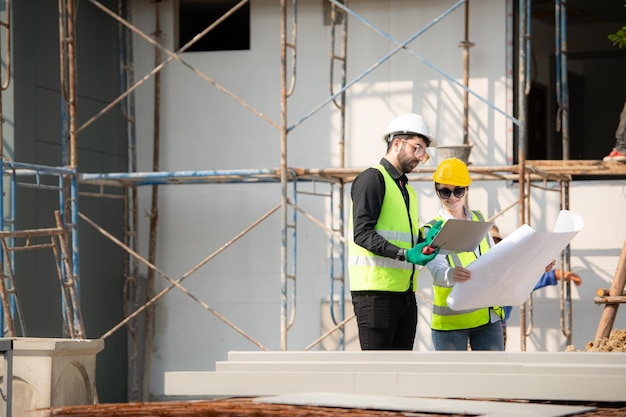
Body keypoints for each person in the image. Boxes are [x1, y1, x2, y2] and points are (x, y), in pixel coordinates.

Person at [349, 113, 443, 350]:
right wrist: (405, 254)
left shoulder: (406, 189)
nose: (421, 158)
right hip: (375, 295)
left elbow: (403, 234)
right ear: (397, 143)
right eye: (417, 148)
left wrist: (427, 235)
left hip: (404, 295)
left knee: (401, 373)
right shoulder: (373, 179)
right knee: (377, 376)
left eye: (424, 152)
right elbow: (362, 233)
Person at [490, 225, 583, 347]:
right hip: (474, 322)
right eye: (491, 240)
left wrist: (557, 274)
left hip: (497, 325)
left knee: (495, 364)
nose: (494, 244)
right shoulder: (476, 265)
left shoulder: (508, 268)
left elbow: (527, 279)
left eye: (497, 241)